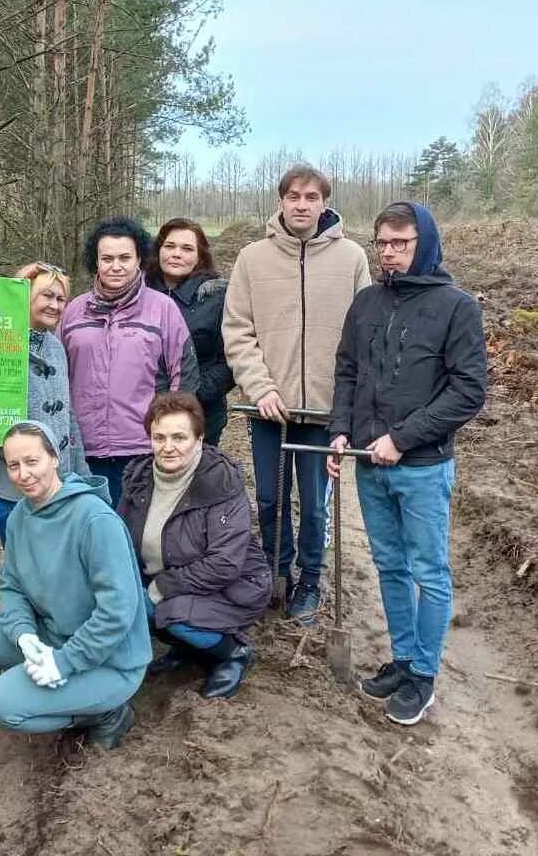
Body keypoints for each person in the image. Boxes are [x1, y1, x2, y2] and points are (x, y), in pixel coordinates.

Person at [0, 421, 150, 776]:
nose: (23, 474)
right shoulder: (23, 515)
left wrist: (64, 662)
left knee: (2, 704)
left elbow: (117, 613)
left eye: (32, 461)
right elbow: (11, 587)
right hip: (50, 633)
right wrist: (24, 635)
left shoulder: (94, 520)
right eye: (13, 465)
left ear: (54, 458)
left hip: (108, 660)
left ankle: (109, 712)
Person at [328, 202, 486, 726]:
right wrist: (341, 431)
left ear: (426, 245)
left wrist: (402, 438)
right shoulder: (367, 303)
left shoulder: (456, 307)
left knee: (429, 571)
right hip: (368, 462)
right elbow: (348, 371)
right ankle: (400, 659)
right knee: (389, 565)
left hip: (421, 466)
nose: (390, 253)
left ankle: (423, 675)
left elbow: (468, 391)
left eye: (401, 243)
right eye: (383, 243)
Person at [222, 163, 371, 622]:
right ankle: (274, 570)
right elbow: (238, 330)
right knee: (269, 497)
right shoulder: (253, 259)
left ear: (324, 202)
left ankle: (309, 579)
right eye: (293, 196)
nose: (302, 204)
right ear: (280, 201)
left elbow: (364, 335)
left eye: (311, 197)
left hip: (325, 412)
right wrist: (261, 386)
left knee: (314, 499)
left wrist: (349, 403)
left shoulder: (352, 258)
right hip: (270, 409)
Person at [118, 393, 270, 699]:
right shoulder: (139, 478)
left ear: (199, 439)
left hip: (232, 584)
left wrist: (161, 587)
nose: (168, 446)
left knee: (163, 611)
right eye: (159, 437)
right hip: (175, 578)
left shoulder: (220, 482)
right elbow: (120, 538)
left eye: (179, 437)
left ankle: (232, 653)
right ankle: (189, 649)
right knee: (130, 603)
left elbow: (225, 563)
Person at [61, 215, 199, 507]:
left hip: (142, 449)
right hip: (83, 450)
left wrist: (169, 434)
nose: (116, 266)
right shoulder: (73, 312)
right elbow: (58, 376)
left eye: (125, 257)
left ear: (139, 259)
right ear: (95, 261)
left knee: (138, 540)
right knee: (92, 534)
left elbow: (184, 375)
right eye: (107, 258)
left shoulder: (163, 309)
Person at [0, 262, 89, 544]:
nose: (55, 305)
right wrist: (26, 460)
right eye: (47, 296)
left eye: (60, 298)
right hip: (13, 490)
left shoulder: (55, 346)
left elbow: (67, 414)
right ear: (25, 296)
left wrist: (82, 473)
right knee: (26, 574)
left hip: (59, 487)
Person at [146, 219, 235, 445]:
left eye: (187, 249)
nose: (177, 254)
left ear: (200, 256)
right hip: (140, 413)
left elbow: (230, 359)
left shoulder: (217, 298)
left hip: (200, 414)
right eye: (170, 246)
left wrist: (192, 394)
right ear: (158, 250)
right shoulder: (138, 295)